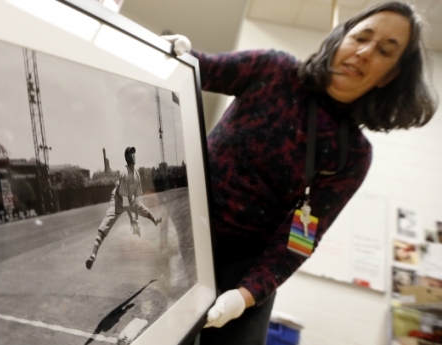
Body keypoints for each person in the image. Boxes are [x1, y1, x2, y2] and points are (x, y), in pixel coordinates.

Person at [163, 2, 437, 344]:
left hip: (246, 270)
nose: (365, 52)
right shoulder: (273, 70)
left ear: (392, 74)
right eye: (361, 37)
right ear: (340, 39)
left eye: (384, 50)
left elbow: (300, 238)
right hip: (179, 233)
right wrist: (171, 51)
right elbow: (196, 69)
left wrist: (245, 296)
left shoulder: (352, 155)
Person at [85, 146, 162, 269]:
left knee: (144, 210)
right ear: (127, 157)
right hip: (117, 200)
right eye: (131, 154)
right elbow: (125, 201)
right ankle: (93, 255)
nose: (134, 155)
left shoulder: (136, 175)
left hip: (129, 199)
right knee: (104, 226)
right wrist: (132, 220)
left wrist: (136, 219)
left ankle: (155, 221)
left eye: (134, 153)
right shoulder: (124, 174)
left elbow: (136, 199)